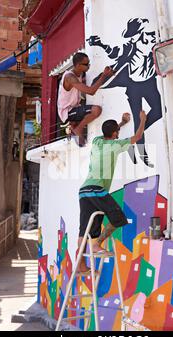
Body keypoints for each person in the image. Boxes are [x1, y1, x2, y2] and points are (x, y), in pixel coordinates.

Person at [77, 110, 147, 272]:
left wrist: (121, 123)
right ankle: (96, 244)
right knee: (119, 218)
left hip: (84, 191)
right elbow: (136, 138)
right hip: (96, 190)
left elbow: (110, 132)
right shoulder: (116, 145)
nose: (118, 134)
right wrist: (142, 120)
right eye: (117, 132)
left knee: (84, 230)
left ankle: (80, 264)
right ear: (115, 133)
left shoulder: (97, 141)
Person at [87, 18, 162, 166]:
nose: (152, 36)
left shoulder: (154, 46)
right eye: (148, 34)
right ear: (137, 37)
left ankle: (135, 135)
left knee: (160, 110)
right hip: (134, 86)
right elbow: (115, 53)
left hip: (149, 83)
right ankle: (142, 153)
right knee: (137, 117)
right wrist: (100, 44)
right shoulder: (130, 48)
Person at [57, 52, 115, 146]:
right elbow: (91, 91)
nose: (88, 66)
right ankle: (78, 129)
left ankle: (77, 130)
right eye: (86, 64)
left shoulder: (80, 74)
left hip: (75, 108)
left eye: (89, 63)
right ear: (78, 65)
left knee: (82, 144)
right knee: (96, 110)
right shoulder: (70, 77)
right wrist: (104, 76)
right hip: (67, 112)